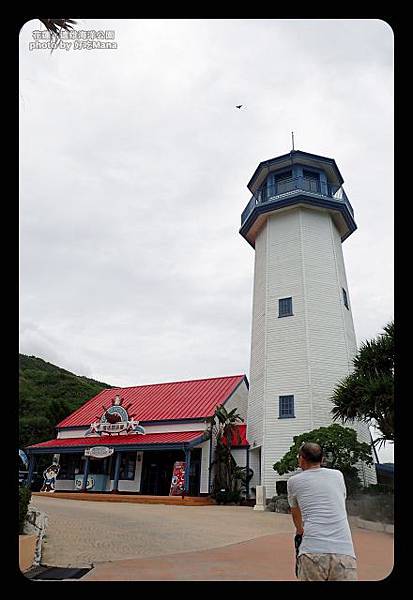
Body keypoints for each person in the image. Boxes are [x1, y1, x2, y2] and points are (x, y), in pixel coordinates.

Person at [287, 442, 358, 581]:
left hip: (312, 551)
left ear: (301, 458)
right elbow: (340, 500)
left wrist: (300, 530)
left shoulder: (293, 482)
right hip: (344, 552)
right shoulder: (338, 475)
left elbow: (296, 514)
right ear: (322, 458)